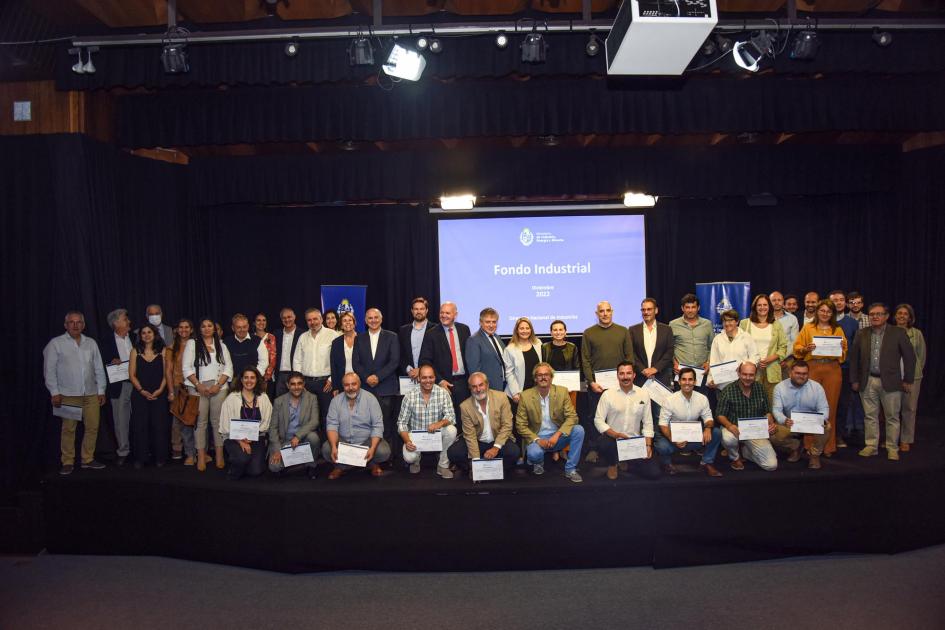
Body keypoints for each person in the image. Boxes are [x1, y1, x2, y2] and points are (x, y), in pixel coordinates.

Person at [849, 303, 916, 461]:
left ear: (886, 316)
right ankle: (871, 446)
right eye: (872, 314)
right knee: (870, 416)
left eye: (879, 314)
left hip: (892, 381)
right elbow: (854, 359)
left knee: (892, 417)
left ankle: (892, 448)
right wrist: (854, 379)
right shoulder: (862, 333)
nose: (875, 317)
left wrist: (908, 379)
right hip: (868, 380)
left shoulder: (898, 333)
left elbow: (910, 358)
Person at [43, 311, 107, 475]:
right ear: (66, 325)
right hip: (68, 393)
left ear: (84, 325)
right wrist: (54, 392)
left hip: (91, 393)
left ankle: (87, 459)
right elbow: (49, 371)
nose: (75, 325)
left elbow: (99, 367)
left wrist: (101, 390)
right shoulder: (56, 343)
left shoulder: (91, 343)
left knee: (92, 427)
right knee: (69, 429)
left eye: (79, 322)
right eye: (71, 322)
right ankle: (68, 461)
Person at [580, 301, 634, 462]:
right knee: (595, 417)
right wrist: (591, 382)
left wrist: (625, 379)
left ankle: (623, 448)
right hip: (597, 386)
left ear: (612, 312)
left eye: (607, 310)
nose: (604, 314)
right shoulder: (588, 333)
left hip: (620, 384)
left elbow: (629, 357)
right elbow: (586, 360)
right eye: (601, 311)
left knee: (620, 415)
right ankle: (595, 449)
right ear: (597, 314)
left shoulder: (623, 331)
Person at [793, 299, 847, 456]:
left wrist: (841, 348)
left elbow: (844, 351)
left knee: (830, 407)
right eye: (822, 311)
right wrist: (805, 348)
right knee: (811, 406)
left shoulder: (837, 330)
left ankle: (828, 446)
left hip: (832, 369)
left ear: (833, 314)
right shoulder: (808, 327)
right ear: (817, 312)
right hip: (813, 368)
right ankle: (810, 445)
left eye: (829, 312)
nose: (825, 314)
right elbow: (797, 348)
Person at [515, 362, 585, 483]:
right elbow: (520, 425)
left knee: (578, 430)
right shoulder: (525, 396)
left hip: (558, 437)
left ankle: (570, 469)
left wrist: (557, 435)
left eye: (546, 374)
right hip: (537, 437)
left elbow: (572, 417)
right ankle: (538, 462)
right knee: (534, 454)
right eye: (540, 375)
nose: (543, 377)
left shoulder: (562, 392)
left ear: (551, 377)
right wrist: (537, 440)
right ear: (535, 378)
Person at [594, 361, 661, 481]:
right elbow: (598, 420)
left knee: (654, 473)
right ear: (617, 376)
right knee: (603, 443)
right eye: (622, 374)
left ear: (634, 375)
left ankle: (626, 463)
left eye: (629, 373)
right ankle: (613, 464)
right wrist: (615, 434)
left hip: (634, 441)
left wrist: (647, 445)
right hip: (613, 440)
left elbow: (648, 422)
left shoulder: (643, 394)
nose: (625, 377)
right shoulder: (608, 394)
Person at [182, 318, 233, 471]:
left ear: (214, 329)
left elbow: (228, 368)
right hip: (198, 387)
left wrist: (218, 385)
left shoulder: (222, 345)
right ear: (199, 329)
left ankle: (219, 456)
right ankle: (201, 457)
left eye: (210, 326)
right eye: (203, 326)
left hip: (219, 387)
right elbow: (186, 368)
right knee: (200, 423)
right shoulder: (192, 344)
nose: (206, 328)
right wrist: (199, 385)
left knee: (217, 423)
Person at [447, 371, 521, 475]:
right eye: (474, 386)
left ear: (487, 385)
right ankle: (473, 466)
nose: (478, 389)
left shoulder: (501, 398)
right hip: (477, 440)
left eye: (481, 385)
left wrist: (495, 448)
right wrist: (477, 463)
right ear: (470, 388)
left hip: (498, 439)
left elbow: (507, 425)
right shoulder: (465, 406)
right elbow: (470, 435)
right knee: (453, 453)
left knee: (514, 452)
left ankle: (496, 469)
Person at [655, 367, 723, 477]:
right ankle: (668, 464)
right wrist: (673, 439)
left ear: (695, 382)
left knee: (716, 433)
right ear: (679, 381)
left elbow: (709, 418)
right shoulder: (669, 400)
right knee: (662, 446)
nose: (687, 383)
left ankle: (706, 462)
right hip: (674, 438)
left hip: (693, 437)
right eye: (684, 379)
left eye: (690, 379)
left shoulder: (702, 398)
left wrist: (708, 428)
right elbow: (662, 423)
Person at [716, 362, 785, 471]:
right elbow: (720, 415)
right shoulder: (728, 390)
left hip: (755, 431)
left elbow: (767, 411)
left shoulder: (760, 389)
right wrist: (729, 426)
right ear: (738, 373)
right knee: (728, 439)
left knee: (771, 466)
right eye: (744, 374)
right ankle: (735, 457)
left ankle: (746, 452)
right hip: (735, 428)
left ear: (755, 375)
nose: (748, 378)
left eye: (751, 375)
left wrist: (771, 424)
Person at [323, 372, 391, 479]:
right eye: (347, 385)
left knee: (383, 451)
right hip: (343, 442)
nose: (350, 388)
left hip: (366, 442)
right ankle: (340, 466)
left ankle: (371, 463)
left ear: (359, 384)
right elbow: (332, 425)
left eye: (354, 384)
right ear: (343, 386)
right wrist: (333, 447)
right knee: (327, 449)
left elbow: (377, 425)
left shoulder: (370, 399)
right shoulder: (335, 401)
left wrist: (372, 448)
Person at [396, 364, 457, 478]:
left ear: (435, 377)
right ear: (418, 378)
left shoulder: (443, 393)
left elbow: (451, 416)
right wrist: (407, 441)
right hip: (416, 437)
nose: (428, 381)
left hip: (436, 434)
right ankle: (416, 461)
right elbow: (402, 423)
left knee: (452, 430)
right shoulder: (409, 396)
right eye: (424, 377)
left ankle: (443, 465)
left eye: (431, 377)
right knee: (409, 458)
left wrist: (439, 424)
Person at [353, 308, 400, 445]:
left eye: (376, 317)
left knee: (386, 423)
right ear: (365, 321)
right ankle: (369, 455)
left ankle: (387, 457)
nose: (373, 320)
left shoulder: (392, 336)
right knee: (366, 422)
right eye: (370, 318)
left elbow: (394, 361)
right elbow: (356, 363)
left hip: (386, 387)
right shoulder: (359, 338)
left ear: (381, 319)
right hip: (366, 387)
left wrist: (378, 377)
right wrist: (367, 377)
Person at [419, 301, 472, 420]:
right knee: (448, 418)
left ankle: (463, 438)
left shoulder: (464, 329)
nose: (444, 315)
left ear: (455, 314)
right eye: (441, 313)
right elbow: (425, 361)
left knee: (465, 416)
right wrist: (440, 380)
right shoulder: (431, 334)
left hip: (464, 382)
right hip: (444, 384)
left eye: (447, 313)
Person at [772, 361, 829, 469]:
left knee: (826, 427)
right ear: (790, 373)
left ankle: (814, 455)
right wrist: (784, 420)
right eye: (798, 373)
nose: (801, 376)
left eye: (804, 374)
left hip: (811, 424)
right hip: (790, 423)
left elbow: (824, 409)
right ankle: (796, 446)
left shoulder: (817, 388)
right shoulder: (780, 388)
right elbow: (776, 410)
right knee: (772, 433)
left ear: (808, 374)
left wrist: (821, 419)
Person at [218, 366, 272, 480]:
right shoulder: (232, 398)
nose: (249, 381)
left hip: (257, 437)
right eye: (246, 378)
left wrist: (251, 438)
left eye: (252, 378)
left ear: (257, 380)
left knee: (255, 471)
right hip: (234, 438)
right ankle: (235, 468)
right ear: (241, 380)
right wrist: (240, 440)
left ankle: (244, 463)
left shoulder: (263, 397)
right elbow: (225, 425)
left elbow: (267, 422)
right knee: (242, 458)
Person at [128, 323, 169, 469]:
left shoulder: (163, 351)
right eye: (143, 333)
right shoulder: (135, 351)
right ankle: (140, 458)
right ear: (140, 336)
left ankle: (160, 457)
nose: (146, 335)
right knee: (140, 426)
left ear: (155, 334)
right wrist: (141, 390)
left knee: (159, 426)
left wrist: (160, 389)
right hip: (140, 394)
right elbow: (131, 375)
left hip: (159, 393)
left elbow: (167, 374)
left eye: (149, 332)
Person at [268, 372, 320, 479]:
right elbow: (273, 428)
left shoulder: (312, 398)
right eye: (293, 384)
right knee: (274, 467)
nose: (296, 387)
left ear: (304, 384)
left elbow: (315, 421)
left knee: (314, 438)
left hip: (303, 439)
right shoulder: (279, 401)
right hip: (285, 441)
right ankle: (296, 460)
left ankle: (311, 465)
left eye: (299, 383)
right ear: (288, 385)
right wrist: (277, 450)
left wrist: (298, 436)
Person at [293, 307, 340, 422]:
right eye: (309, 320)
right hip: (306, 384)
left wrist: (331, 379)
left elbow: (339, 361)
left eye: (315, 319)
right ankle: (310, 440)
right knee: (307, 417)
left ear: (321, 319)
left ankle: (327, 440)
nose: (313, 322)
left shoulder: (333, 335)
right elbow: (297, 360)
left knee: (327, 417)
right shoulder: (303, 337)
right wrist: (299, 382)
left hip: (326, 384)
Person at [101, 308, 135, 466]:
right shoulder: (104, 341)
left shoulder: (136, 337)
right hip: (119, 385)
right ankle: (123, 451)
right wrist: (110, 362)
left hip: (139, 384)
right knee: (121, 420)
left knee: (139, 418)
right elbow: (99, 365)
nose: (128, 321)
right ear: (115, 323)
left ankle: (141, 449)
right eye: (125, 319)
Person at [739, 294, 787, 403]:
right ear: (755, 307)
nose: (762, 307)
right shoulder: (745, 323)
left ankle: (771, 420)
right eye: (759, 305)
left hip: (772, 369)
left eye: (765, 305)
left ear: (769, 306)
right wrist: (755, 361)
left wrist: (769, 359)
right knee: (752, 402)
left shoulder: (776, 324)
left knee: (772, 403)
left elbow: (783, 347)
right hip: (750, 371)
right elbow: (740, 347)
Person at [828, 289, 859, 448]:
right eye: (834, 300)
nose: (838, 303)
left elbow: (855, 350)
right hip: (825, 368)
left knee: (842, 403)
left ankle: (838, 435)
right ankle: (824, 436)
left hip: (844, 368)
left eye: (841, 300)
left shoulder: (852, 323)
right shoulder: (822, 320)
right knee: (825, 403)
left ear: (846, 303)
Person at [895, 304, 926, 452]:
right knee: (891, 410)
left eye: (905, 314)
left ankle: (905, 439)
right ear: (895, 316)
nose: (902, 316)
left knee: (909, 408)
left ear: (910, 317)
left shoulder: (916, 334)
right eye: (899, 313)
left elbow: (921, 356)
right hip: (893, 377)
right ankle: (892, 438)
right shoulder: (889, 332)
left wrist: (911, 374)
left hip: (912, 377)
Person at [628, 298, 674, 396]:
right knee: (640, 410)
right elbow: (631, 353)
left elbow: (669, 352)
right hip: (640, 378)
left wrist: (655, 368)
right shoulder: (633, 330)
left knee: (659, 411)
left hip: (660, 378)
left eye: (649, 309)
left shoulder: (667, 329)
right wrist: (643, 369)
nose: (646, 312)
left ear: (656, 310)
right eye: (643, 310)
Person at [165, 318, 194, 464]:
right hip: (178, 386)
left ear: (191, 330)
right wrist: (170, 391)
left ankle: (194, 450)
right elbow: (168, 371)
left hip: (194, 386)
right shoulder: (171, 348)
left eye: (187, 327)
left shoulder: (196, 345)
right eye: (181, 327)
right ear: (176, 330)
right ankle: (177, 448)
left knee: (193, 420)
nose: (184, 330)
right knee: (177, 420)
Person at [669, 293, 713, 388]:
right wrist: (674, 363)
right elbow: (669, 348)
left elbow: (712, 347)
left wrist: (708, 362)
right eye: (687, 307)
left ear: (698, 308)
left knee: (701, 401)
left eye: (693, 307)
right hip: (681, 373)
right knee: (680, 402)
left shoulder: (707, 324)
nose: (690, 310)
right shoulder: (673, 324)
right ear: (682, 308)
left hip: (702, 372)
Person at [708, 310, 759, 387]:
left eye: (730, 320)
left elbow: (755, 357)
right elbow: (714, 361)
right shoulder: (717, 339)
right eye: (724, 321)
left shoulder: (746, 337)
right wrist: (711, 379)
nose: (727, 323)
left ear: (737, 321)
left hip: (743, 383)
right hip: (723, 384)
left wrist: (744, 368)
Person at [503, 316, 543, 406]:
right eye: (521, 328)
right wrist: (515, 392)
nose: (525, 331)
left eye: (527, 328)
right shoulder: (510, 349)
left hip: (536, 391)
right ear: (517, 330)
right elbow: (509, 373)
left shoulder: (538, 343)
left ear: (531, 330)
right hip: (519, 393)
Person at [465, 307, 507, 393]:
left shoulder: (497, 337)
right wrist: (482, 388)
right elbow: (474, 370)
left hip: (503, 386)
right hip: (487, 389)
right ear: (480, 322)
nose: (491, 325)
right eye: (487, 322)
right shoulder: (473, 340)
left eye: (494, 322)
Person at [222, 313, 269, 381]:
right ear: (233, 328)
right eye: (238, 327)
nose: (242, 330)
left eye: (244, 327)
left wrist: (254, 376)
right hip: (234, 381)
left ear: (248, 326)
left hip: (254, 380)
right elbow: (224, 365)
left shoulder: (257, 340)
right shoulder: (226, 342)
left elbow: (264, 362)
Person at [398, 297, 433, 381]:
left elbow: (437, 355)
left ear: (426, 310)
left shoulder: (435, 329)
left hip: (429, 377)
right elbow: (400, 353)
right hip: (408, 377)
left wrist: (421, 369)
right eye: (416, 309)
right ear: (412, 311)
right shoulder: (403, 330)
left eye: (422, 309)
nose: (419, 311)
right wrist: (408, 369)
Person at [272, 308, 304, 397]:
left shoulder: (303, 334)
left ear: (294, 317)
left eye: (289, 317)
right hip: (280, 376)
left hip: (296, 374)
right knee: (281, 403)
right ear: (281, 320)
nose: (287, 320)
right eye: (284, 318)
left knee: (298, 403)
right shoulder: (276, 334)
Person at [770, 291, 799, 379]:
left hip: (786, 361)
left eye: (779, 300)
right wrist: (771, 359)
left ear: (783, 302)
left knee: (788, 389)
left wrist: (782, 358)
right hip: (768, 361)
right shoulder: (763, 318)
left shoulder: (792, 319)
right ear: (769, 302)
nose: (777, 302)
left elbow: (794, 342)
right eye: (773, 300)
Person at [330, 311, 357, 397]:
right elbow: (333, 366)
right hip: (342, 383)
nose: (348, 322)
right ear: (341, 325)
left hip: (360, 382)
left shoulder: (363, 339)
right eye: (344, 320)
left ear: (354, 323)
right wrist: (335, 387)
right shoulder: (336, 342)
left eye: (350, 320)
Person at [253, 312, 278, 390]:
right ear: (254, 323)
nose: (261, 322)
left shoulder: (271, 337)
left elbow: (273, 359)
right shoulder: (251, 337)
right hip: (253, 377)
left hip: (268, 377)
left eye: (264, 320)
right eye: (258, 320)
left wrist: (266, 378)